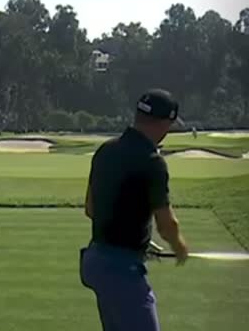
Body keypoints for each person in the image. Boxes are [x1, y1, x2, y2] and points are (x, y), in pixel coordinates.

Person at [80, 88, 189, 331]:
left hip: (95, 262)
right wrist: (180, 247)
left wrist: (136, 239)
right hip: (122, 270)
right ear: (163, 123)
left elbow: (91, 208)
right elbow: (167, 224)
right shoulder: (153, 162)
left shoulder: (106, 150)